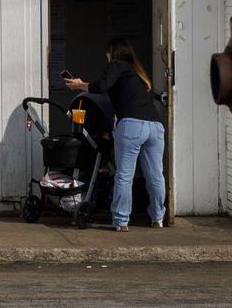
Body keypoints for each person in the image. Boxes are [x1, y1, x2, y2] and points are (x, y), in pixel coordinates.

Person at [66, 37, 167, 232]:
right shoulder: (138, 74)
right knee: (156, 176)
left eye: (107, 55)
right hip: (155, 126)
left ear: (113, 52)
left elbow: (101, 86)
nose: (107, 59)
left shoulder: (117, 65)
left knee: (124, 175)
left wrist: (80, 85)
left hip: (132, 126)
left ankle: (121, 221)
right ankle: (158, 218)